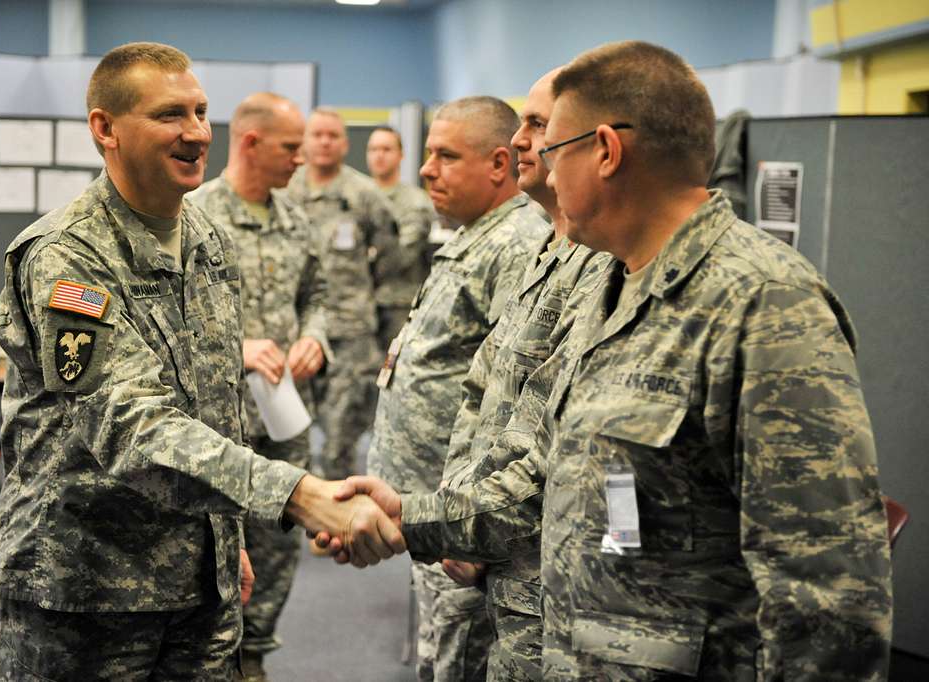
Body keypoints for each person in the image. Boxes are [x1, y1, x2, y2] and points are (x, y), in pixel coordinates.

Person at [333, 41, 893, 680]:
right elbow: (540, 475)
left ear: (604, 151)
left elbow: (827, 593)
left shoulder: (764, 304)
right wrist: (414, 516)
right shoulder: (607, 287)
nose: (536, 165)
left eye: (551, 147)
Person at [0, 42, 404, 681]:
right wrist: (298, 495)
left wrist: (224, 541)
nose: (197, 133)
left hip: (199, 586)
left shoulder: (207, 241)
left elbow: (214, 403)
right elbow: (127, 423)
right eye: (171, 115)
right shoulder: (66, 256)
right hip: (85, 594)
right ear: (105, 129)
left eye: (202, 112)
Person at [366, 96, 551, 682]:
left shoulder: (517, 243)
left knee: (456, 656)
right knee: (438, 651)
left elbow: (512, 400)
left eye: (445, 156)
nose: (426, 170)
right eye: (427, 155)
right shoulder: (479, 234)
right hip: (429, 507)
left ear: (500, 165)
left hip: (460, 514)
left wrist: (463, 517)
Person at [436, 69, 603, 682]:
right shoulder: (547, 250)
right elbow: (482, 397)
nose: (523, 141)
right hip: (494, 551)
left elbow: (551, 447)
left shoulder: (603, 264)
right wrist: (454, 509)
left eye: (539, 125)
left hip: (543, 579)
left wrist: (448, 524)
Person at [189, 92, 328, 682]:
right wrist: (236, 349)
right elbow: (169, 321)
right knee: (214, 544)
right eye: (291, 147)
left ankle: (253, 658)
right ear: (250, 143)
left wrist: (315, 338)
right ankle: (209, 659)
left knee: (277, 546)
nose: (302, 159)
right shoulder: (194, 215)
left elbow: (315, 297)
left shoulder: (297, 218)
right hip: (216, 424)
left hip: (286, 417)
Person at [285, 109, 399, 481]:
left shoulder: (364, 194)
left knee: (340, 441)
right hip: (295, 333)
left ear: (345, 144)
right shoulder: (286, 190)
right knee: (287, 436)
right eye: (316, 134)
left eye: (333, 136)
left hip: (350, 333)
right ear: (304, 141)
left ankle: (333, 527)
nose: (324, 142)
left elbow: (389, 254)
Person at [365, 125, 437, 351]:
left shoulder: (415, 202)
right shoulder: (358, 197)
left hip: (397, 305)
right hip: (359, 307)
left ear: (400, 155)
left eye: (386, 149)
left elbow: (402, 255)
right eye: (373, 149)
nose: (379, 155)